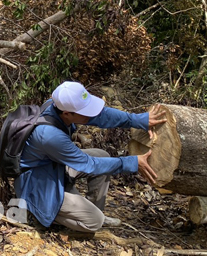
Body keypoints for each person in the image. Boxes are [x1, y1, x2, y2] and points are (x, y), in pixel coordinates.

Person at [15, 81, 167, 233]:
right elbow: (89, 165)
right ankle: (40, 213)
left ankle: (91, 209)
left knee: (102, 155)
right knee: (95, 222)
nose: (91, 114)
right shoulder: (49, 135)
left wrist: (137, 120)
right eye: (85, 111)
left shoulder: (58, 106)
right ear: (67, 113)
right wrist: (132, 162)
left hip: (52, 168)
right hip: (37, 185)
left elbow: (102, 115)